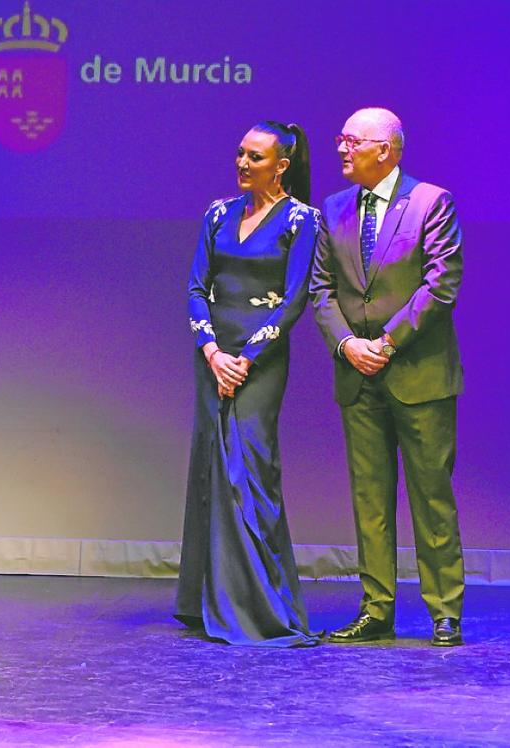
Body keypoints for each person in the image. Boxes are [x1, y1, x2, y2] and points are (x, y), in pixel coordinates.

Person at [309, 107, 465, 647]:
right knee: (370, 500)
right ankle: (377, 610)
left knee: (431, 495)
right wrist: (349, 344)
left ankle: (445, 610)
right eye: (341, 139)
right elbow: (321, 289)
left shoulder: (431, 202)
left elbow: (440, 285)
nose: (342, 149)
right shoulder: (333, 208)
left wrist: (389, 341)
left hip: (418, 374)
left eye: (352, 141)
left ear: (387, 150)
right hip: (359, 375)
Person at [174, 121, 320, 647]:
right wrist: (212, 351)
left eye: (255, 157)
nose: (242, 163)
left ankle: (261, 606)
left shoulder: (303, 221)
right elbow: (196, 288)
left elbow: (294, 299)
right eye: (239, 153)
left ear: (281, 165)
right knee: (212, 465)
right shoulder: (217, 214)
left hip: (259, 361)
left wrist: (245, 357)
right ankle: (203, 599)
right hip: (213, 357)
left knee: (250, 470)